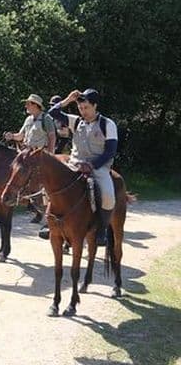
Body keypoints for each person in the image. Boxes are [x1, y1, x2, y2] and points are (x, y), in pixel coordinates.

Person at [48, 88, 118, 246]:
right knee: (52, 183)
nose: (83, 111)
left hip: (98, 167)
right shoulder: (76, 121)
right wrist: (67, 100)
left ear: (95, 106)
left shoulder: (108, 124)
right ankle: (51, 223)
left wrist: (92, 165)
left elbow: (110, 151)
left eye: (86, 108)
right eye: (80, 108)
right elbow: (53, 113)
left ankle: (102, 229)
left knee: (108, 195)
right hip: (74, 164)